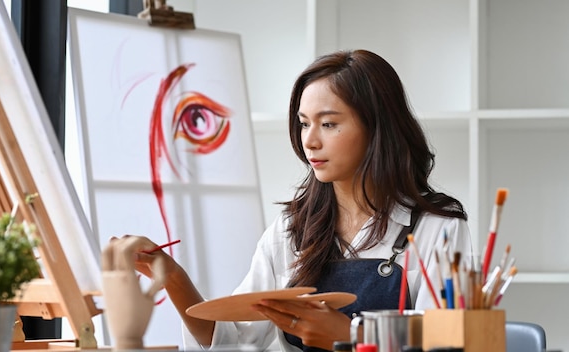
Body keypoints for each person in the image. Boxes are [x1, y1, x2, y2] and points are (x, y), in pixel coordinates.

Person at [118, 49, 472, 351]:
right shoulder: (291, 231)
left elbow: (445, 345)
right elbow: (235, 342)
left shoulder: (438, 229)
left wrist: (348, 338)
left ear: (377, 128)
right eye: (304, 124)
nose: (310, 141)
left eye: (329, 124)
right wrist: (174, 278)